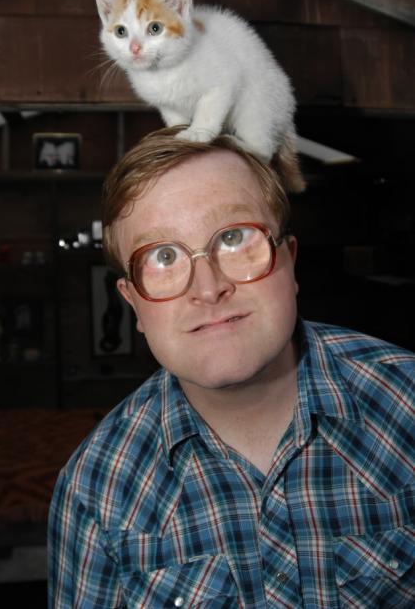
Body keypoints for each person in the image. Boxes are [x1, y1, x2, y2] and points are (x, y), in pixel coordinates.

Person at [48, 127, 415, 608]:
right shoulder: (95, 488)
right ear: (133, 303)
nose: (208, 287)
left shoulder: (407, 401)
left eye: (234, 237)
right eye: (162, 256)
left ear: (289, 261)